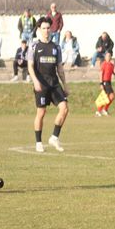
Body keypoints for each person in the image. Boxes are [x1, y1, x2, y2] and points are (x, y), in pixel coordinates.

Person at [27, 17, 69, 153]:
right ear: (39, 30)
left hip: (54, 84)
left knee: (64, 108)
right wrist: (35, 81)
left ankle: (54, 137)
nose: (46, 31)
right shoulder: (34, 46)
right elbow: (30, 66)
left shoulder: (56, 47)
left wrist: (65, 85)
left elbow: (60, 68)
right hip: (41, 84)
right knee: (41, 112)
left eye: (48, 28)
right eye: (43, 28)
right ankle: (38, 142)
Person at [96, 52, 115, 117]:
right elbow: (101, 73)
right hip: (105, 82)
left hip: (109, 82)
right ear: (105, 57)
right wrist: (101, 83)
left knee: (109, 97)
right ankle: (100, 110)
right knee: (109, 96)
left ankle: (103, 110)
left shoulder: (111, 65)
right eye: (107, 56)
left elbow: (114, 73)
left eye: (109, 56)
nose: (108, 57)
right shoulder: (104, 64)